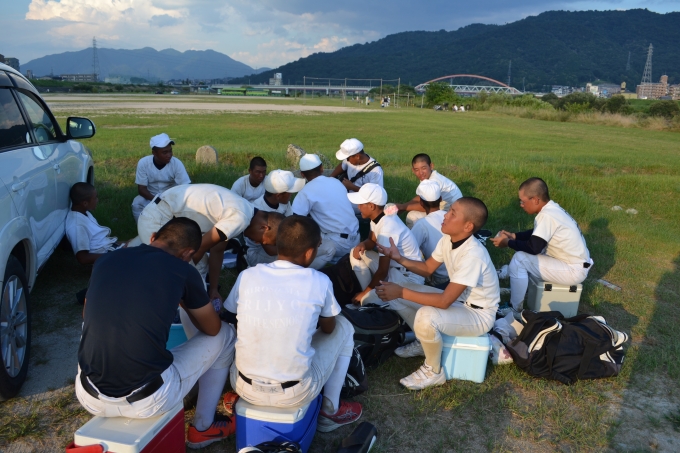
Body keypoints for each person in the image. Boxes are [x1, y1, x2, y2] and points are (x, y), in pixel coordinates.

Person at [75, 217, 237, 449]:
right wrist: (183, 300)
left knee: (97, 324)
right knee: (226, 334)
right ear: (188, 253)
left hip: (89, 395)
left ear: (152, 238)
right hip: (149, 399)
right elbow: (212, 329)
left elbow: (86, 314)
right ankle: (204, 427)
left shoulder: (105, 260)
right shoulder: (183, 270)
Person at [224, 216, 362, 432]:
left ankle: (235, 395)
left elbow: (231, 316)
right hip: (294, 393)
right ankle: (330, 410)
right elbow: (329, 329)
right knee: (344, 326)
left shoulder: (247, 275)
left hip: (243, 386)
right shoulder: (319, 280)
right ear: (309, 252)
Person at [374, 197, 500, 390]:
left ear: (468, 226)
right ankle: (423, 341)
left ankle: (433, 371)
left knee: (425, 315)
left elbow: (444, 301)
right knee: (396, 292)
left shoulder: (473, 255)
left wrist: (401, 292)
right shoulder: (448, 239)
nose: (445, 216)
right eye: (449, 211)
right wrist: (399, 258)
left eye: (453, 213)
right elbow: (427, 268)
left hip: (479, 315)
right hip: (459, 303)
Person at [137, 183, 261, 303]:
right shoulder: (241, 218)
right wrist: (188, 271)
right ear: (265, 227)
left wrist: (213, 289)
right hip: (159, 219)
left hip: (171, 219)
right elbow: (200, 248)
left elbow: (217, 250)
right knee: (186, 280)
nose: (256, 242)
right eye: (262, 241)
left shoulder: (243, 209)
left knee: (200, 269)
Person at [491, 177, 592, 314]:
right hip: (573, 263)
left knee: (520, 259)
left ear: (535, 200)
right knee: (526, 256)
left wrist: (507, 242)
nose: (521, 205)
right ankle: (515, 283)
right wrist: (514, 236)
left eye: (523, 201)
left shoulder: (547, 215)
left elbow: (533, 248)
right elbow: (537, 233)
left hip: (572, 270)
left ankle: (514, 309)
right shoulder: (552, 209)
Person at [347, 183, 424, 305]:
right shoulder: (380, 215)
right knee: (356, 252)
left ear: (372, 206)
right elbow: (371, 241)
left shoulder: (387, 228)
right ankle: (367, 291)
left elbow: (383, 271)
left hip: (408, 277)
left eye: (361, 204)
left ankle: (367, 296)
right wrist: (363, 245)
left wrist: (365, 295)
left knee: (367, 300)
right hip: (394, 268)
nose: (358, 207)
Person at [247, 169, 334, 268]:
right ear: (278, 195)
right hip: (259, 253)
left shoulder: (284, 203)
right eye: (290, 192)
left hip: (285, 245)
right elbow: (270, 250)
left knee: (329, 247)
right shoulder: (258, 210)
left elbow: (292, 226)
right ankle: (293, 272)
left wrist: (312, 237)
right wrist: (299, 247)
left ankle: (298, 272)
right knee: (300, 255)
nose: (291, 195)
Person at [292, 154, 360, 264]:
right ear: (322, 168)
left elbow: (295, 220)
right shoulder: (336, 182)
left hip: (338, 243)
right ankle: (341, 262)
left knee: (302, 234)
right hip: (356, 239)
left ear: (302, 174)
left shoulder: (305, 191)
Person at [131, 133, 191, 222]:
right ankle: (142, 227)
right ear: (154, 153)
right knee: (137, 203)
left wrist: (173, 200)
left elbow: (186, 187)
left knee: (185, 206)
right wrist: (158, 201)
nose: (169, 155)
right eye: (164, 152)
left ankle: (177, 224)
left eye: (170, 151)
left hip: (171, 196)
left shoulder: (176, 163)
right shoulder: (143, 163)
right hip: (151, 196)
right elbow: (141, 189)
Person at [65, 182, 130, 265]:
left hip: (112, 249)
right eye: (95, 198)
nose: (97, 200)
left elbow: (100, 240)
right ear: (85, 203)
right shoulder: (77, 226)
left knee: (142, 244)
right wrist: (114, 256)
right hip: (108, 256)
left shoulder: (84, 212)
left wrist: (124, 243)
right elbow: (83, 258)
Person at [396, 153, 463, 229]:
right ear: (413, 170)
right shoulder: (428, 177)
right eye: (417, 170)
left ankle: (419, 236)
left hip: (452, 213)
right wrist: (402, 206)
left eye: (423, 168)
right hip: (447, 208)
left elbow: (428, 206)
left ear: (431, 166)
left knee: (412, 216)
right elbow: (421, 197)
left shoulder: (435, 181)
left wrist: (403, 207)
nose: (421, 173)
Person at [409, 180, 449, 289]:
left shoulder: (422, 224)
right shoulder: (448, 216)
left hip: (440, 278)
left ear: (421, 203)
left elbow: (409, 250)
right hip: (456, 273)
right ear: (440, 199)